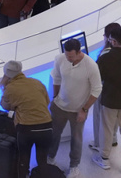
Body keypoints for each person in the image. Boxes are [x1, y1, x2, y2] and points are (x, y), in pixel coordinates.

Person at [48, 38, 103, 178]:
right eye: (66, 55)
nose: (68, 58)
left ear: (79, 52)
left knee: (76, 139)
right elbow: (56, 77)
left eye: (71, 56)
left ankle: (74, 167)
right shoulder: (60, 59)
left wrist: (84, 110)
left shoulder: (90, 66)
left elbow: (97, 89)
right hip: (60, 106)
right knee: (54, 135)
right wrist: (55, 98)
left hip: (79, 110)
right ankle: (50, 160)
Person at [0, 60, 54, 178]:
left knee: (23, 160)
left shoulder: (11, 88)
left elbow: (5, 106)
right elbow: (46, 102)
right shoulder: (37, 82)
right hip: (47, 127)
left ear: (6, 74)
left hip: (26, 129)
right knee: (42, 161)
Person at [94, 27, 121, 170]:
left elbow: (98, 78)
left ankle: (104, 158)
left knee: (107, 129)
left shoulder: (106, 57)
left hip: (109, 99)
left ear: (114, 41)